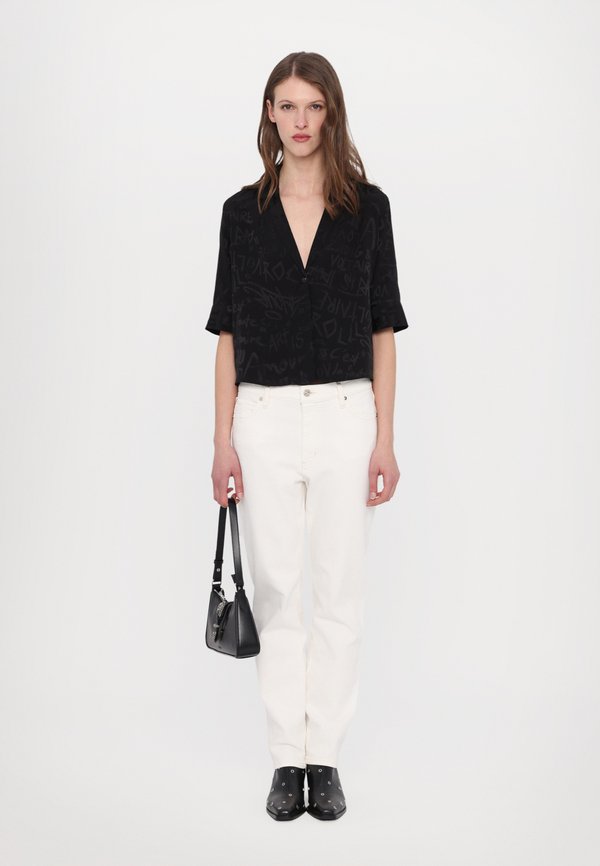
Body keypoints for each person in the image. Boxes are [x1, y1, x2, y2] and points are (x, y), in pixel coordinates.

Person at [205, 51, 409, 821]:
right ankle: (285, 760)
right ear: (269, 112)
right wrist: (222, 440)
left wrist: (385, 439)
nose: (299, 120)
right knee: (280, 591)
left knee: (339, 590)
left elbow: (383, 329)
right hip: (260, 419)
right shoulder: (241, 213)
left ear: (331, 114)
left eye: (313, 106)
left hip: (345, 415)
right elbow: (227, 333)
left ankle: (325, 759)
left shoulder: (368, 209)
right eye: (287, 105)